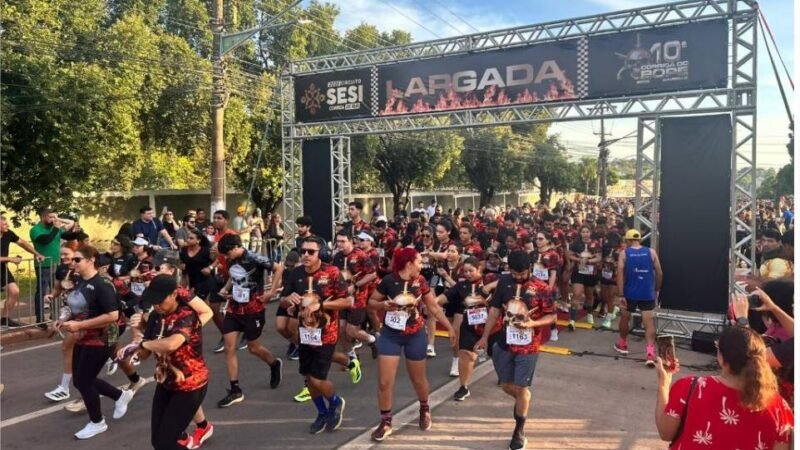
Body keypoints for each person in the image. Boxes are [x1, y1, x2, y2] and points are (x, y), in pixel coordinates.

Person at [367, 248, 457, 442]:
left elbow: (433, 306)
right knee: (384, 381)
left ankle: (424, 407)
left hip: (414, 335)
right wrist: (383, 306)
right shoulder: (389, 281)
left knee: (418, 380)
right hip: (391, 335)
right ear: (408, 264)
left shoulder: (420, 281)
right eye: (418, 262)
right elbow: (371, 302)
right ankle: (386, 421)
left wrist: (449, 327)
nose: (421, 265)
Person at [655, 326, 793, 449]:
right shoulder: (779, 408)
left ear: (721, 358)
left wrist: (663, 384)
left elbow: (665, 433)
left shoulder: (690, 387)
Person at [475, 250, 556, 450]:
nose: (519, 277)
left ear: (530, 268)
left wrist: (531, 324)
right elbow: (494, 311)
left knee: (521, 388)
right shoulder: (504, 282)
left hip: (529, 346)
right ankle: (523, 397)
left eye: (522, 273)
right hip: (504, 343)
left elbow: (551, 316)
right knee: (506, 385)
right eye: (515, 273)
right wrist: (485, 337)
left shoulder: (541, 288)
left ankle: (519, 431)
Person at [58, 246, 135, 439]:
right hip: (83, 335)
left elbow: (113, 315)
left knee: (84, 380)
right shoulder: (78, 281)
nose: (72, 263)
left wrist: (79, 325)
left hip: (102, 338)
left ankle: (97, 422)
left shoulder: (102, 284)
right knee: (80, 379)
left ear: (91, 260)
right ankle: (120, 395)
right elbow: (74, 305)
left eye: (77, 259)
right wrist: (64, 317)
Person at [280, 236, 351, 434]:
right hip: (304, 333)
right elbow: (283, 300)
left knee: (318, 379)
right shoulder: (296, 273)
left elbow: (347, 302)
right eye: (303, 251)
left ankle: (336, 403)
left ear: (321, 253)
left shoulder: (332, 272)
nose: (305, 255)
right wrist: (288, 299)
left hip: (326, 334)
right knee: (307, 378)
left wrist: (322, 305)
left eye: (311, 252)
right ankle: (321, 412)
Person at [133, 275, 211, 450]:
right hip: (166, 382)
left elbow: (171, 344)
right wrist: (137, 333)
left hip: (190, 384)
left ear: (174, 294)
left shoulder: (187, 316)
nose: (156, 305)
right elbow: (144, 354)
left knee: (165, 442)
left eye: (160, 301)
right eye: (153, 302)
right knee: (158, 441)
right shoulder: (154, 316)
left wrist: (143, 343)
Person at [215, 234, 284, 408]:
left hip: (253, 308)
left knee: (254, 347)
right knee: (229, 347)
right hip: (234, 307)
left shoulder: (254, 257)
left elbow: (279, 268)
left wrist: (271, 291)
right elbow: (234, 276)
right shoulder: (232, 260)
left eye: (227, 254)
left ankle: (274, 364)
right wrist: (225, 288)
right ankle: (235, 389)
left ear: (235, 248)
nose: (226, 258)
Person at [439, 256, 498, 401]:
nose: (468, 274)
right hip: (470, 325)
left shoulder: (490, 278)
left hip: (493, 325)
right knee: (466, 354)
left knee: (497, 354)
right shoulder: (461, 286)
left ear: (479, 269)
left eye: (471, 271)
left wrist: (489, 287)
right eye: (465, 271)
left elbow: (507, 279)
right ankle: (463, 387)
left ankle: (503, 374)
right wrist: (430, 302)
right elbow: (443, 298)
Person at [614, 229, 663, 367]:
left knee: (625, 318)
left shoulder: (624, 253)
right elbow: (659, 272)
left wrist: (621, 293)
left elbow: (620, 274)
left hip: (630, 293)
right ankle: (649, 353)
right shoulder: (651, 252)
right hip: (647, 292)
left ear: (628, 241)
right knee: (648, 323)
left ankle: (623, 344)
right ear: (639, 239)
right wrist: (656, 289)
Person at [332, 232, 378, 365]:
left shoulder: (360, 255)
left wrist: (356, 285)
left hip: (358, 298)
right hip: (342, 298)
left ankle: (372, 340)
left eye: (342, 241)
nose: (339, 244)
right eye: (338, 241)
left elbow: (372, 274)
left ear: (351, 241)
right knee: (340, 330)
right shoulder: (337, 257)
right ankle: (352, 356)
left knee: (351, 330)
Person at [30, 208, 76, 324]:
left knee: (57, 290)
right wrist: (56, 227)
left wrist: (58, 219)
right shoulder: (35, 230)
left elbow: (71, 224)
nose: (54, 220)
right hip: (43, 265)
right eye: (51, 217)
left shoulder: (55, 228)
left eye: (55, 217)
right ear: (43, 217)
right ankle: (40, 319)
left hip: (57, 263)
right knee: (42, 291)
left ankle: (55, 316)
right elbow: (46, 240)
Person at [1, 215, 44, 327]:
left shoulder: (8, 233)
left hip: (1, 269)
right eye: (4, 224)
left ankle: (4, 319)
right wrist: (10, 259)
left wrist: (36, 254)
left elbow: (23, 243)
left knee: (14, 291)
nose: (8, 226)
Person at [567, 225, 602, 329]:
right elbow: (569, 255)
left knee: (589, 295)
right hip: (578, 272)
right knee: (577, 294)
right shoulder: (576, 243)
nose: (585, 234)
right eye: (583, 232)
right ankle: (572, 320)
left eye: (587, 232)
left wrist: (588, 261)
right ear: (580, 233)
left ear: (590, 233)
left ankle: (590, 313)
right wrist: (578, 260)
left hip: (591, 273)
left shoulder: (595, 244)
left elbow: (599, 258)